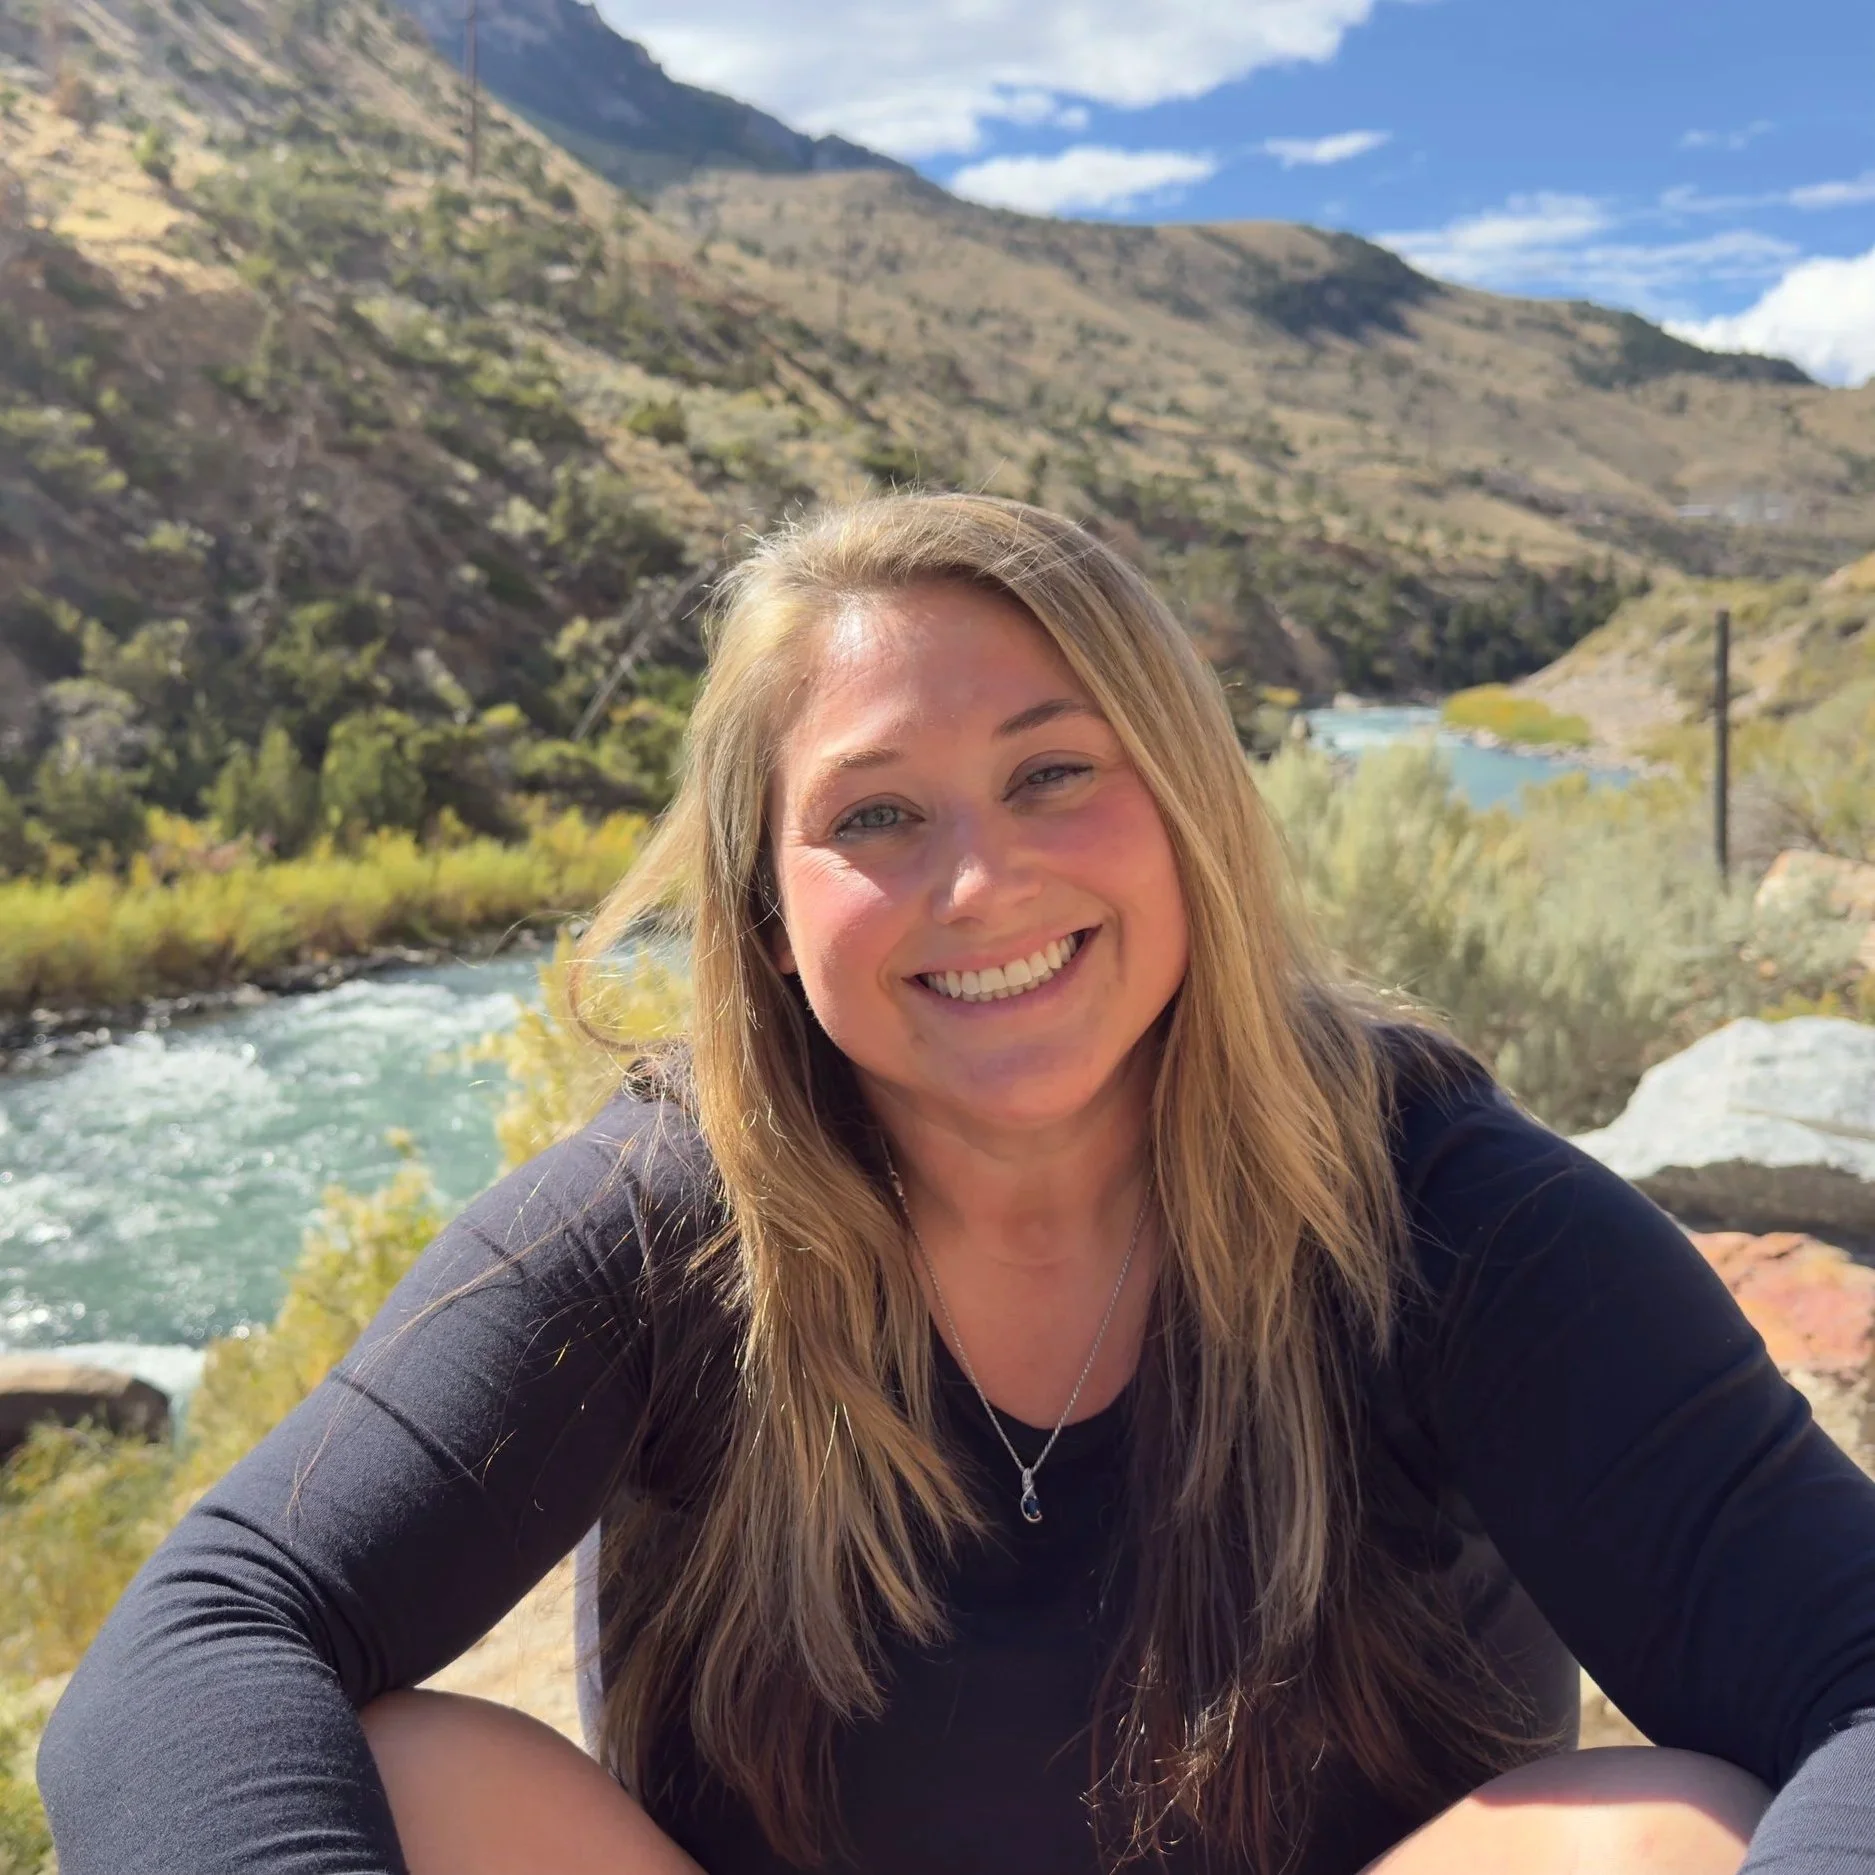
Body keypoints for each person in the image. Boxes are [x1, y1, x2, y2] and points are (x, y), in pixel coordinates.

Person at [37, 494, 1875, 1875]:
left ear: (1189, 811)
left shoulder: (1453, 1216)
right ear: (764, 915)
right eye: (874, 815)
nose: (976, 882)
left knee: (1654, 1831)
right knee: (399, 1761)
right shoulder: (663, 1220)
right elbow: (201, 1638)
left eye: (1054, 770)